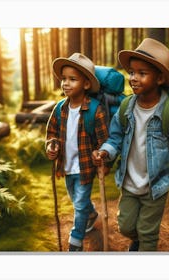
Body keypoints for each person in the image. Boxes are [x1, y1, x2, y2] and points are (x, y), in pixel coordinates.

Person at [92, 38, 169, 251]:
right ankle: (141, 242)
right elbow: (115, 137)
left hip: (157, 184)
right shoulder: (127, 106)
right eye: (132, 72)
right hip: (129, 182)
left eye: (142, 73)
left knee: (147, 232)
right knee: (125, 226)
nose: (133, 78)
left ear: (160, 78)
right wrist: (105, 152)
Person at [45, 53, 109, 252]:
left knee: (79, 204)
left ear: (86, 84)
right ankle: (92, 216)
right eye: (64, 79)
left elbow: (104, 140)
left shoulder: (95, 110)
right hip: (66, 166)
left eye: (72, 79)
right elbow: (51, 134)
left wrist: (103, 159)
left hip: (85, 167)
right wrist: (51, 146)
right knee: (77, 200)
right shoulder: (59, 109)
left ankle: (76, 240)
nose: (65, 83)